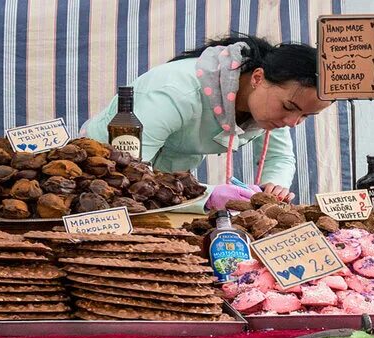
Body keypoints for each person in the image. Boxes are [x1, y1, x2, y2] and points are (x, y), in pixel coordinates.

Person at [83, 33, 332, 207]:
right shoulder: (176, 93)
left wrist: (272, 187)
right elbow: (130, 174)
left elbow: (279, 157)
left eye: (306, 116)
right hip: (103, 173)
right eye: (290, 107)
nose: (292, 121)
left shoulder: (271, 105)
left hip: (162, 186)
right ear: (258, 78)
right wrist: (208, 195)